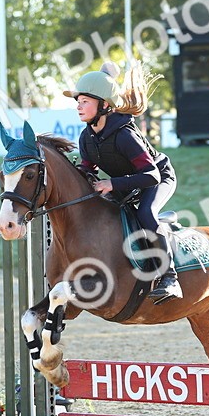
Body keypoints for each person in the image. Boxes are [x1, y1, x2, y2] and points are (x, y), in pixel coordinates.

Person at [66, 61, 182, 302]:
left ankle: (170, 278)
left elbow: (151, 175)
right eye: (78, 101)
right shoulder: (86, 137)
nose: (78, 105)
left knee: (146, 214)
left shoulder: (125, 135)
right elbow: (87, 170)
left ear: (104, 105)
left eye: (85, 101)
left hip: (157, 177)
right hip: (127, 182)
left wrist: (112, 185)